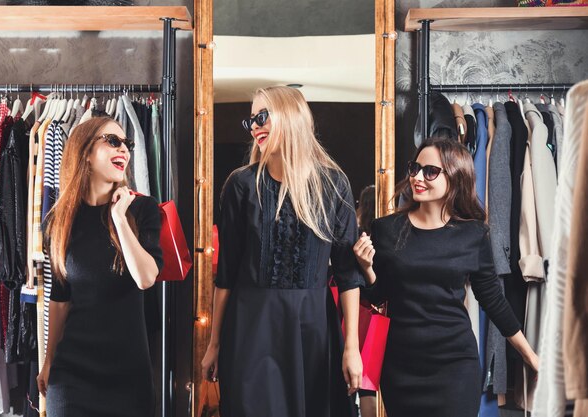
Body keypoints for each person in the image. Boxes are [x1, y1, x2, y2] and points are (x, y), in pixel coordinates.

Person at [201, 86, 365, 417]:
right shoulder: (240, 185)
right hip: (251, 328)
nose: (255, 127)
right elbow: (227, 274)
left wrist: (352, 348)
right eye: (251, 121)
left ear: (291, 117)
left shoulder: (333, 184)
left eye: (262, 117)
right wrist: (214, 343)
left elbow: (348, 274)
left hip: (314, 330)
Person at [353, 137, 539, 417]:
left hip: (455, 365)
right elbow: (378, 296)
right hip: (401, 366)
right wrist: (367, 269)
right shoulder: (386, 229)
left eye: (430, 171)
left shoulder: (473, 234)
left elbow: (493, 300)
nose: (417, 177)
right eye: (415, 168)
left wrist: (530, 356)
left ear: (455, 178)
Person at [36, 116, 163, 417]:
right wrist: (48, 360)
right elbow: (60, 299)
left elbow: (146, 278)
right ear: (86, 153)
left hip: (129, 377)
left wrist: (119, 218)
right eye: (113, 141)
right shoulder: (59, 221)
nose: (125, 150)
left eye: (127, 144)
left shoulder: (142, 210)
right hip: (72, 375)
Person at [355, 185, 378, 417]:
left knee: (362, 385)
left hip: (357, 312)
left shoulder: (358, 236)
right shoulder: (387, 234)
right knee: (368, 384)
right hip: (378, 314)